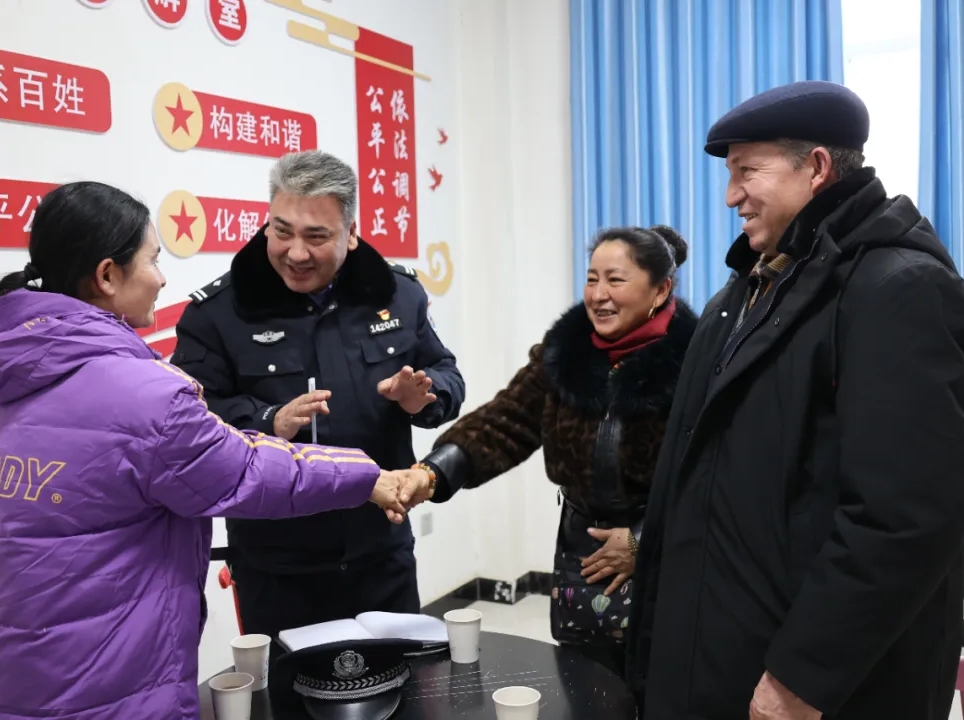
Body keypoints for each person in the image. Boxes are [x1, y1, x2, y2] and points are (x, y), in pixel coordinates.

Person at [0, 181, 427, 720]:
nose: (161, 278)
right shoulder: (143, 388)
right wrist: (368, 476)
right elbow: (244, 470)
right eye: (153, 259)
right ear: (107, 276)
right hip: (108, 684)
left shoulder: (7, 388)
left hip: (10, 682)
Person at [627, 80, 964, 720]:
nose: (730, 196)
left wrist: (800, 679)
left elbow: (903, 519)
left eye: (747, 171)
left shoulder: (898, 289)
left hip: (812, 688)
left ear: (817, 167)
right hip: (719, 657)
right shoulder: (746, 293)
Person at [171, 150, 465, 637]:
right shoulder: (218, 314)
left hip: (381, 553)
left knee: (400, 680)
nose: (296, 253)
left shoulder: (396, 294)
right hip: (277, 567)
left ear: (351, 234)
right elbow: (189, 421)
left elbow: (446, 372)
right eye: (282, 231)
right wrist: (267, 421)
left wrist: (424, 398)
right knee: (290, 684)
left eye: (316, 237)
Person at [403, 225, 697, 675]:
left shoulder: (696, 360)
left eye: (615, 280)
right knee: (588, 685)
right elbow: (504, 421)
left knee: (664, 683)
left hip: (669, 554)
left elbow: (711, 471)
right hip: (582, 555)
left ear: (661, 289)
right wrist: (432, 473)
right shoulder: (564, 353)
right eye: (591, 279)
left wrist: (643, 539)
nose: (598, 295)